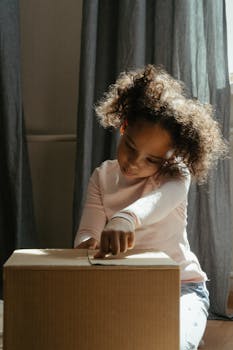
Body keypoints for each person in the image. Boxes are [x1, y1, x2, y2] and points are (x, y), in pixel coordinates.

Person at [74, 65, 228, 350]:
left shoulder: (176, 175)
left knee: (171, 344)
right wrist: (88, 246)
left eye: (151, 160)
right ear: (123, 127)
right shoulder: (102, 177)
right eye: (130, 147)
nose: (135, 163)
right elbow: (86, 235)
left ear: (170, 158)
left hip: (181, 289)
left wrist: (126, 217)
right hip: (124, 291)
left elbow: (157, 203)